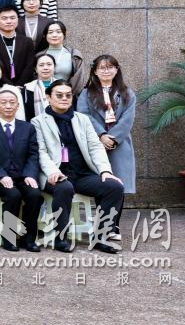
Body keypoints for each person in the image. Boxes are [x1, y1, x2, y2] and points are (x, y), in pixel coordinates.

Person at [32, 80, 125, 253]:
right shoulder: (38, 122)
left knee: (114, 187)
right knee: (64, 187)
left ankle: (101, 237)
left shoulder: (82, 119)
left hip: (82, 174)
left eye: (68, 95)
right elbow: (41, 152)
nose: (64, 98)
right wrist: (53, 172)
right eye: (59, 95)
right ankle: (60, 238)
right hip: (56, 174)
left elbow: (95, 147)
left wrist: (105, 171)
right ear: (48, 97)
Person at [0, 89, 43, 252]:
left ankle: (29, 238)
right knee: (13, 195)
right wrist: (1, 175)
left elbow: (33, 154)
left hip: (21, 176)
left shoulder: (28, 128)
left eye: (12, 103)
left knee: (35, 195)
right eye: (3, 102)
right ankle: (9, 237)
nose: (8, 106)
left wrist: (30, 175)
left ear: (18, 106)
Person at [77, 55, 136, 195]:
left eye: (110, 67)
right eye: (102, 68)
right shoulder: (86, 93)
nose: (106, 71)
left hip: (119, 143)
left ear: (117, 70)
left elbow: (128, 119)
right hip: (95, 142)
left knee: (120, 185)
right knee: (100, 184)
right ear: (95, 71)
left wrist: (113, 138)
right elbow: (84, 115)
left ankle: (116, 210)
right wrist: (101, 135)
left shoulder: (127, 93)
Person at [0, 6, 36, 86]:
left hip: (23, 85)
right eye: (4, 18)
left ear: (18, 20)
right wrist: (10, 86)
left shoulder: (27, 41)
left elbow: (29, 66)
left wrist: (19, 85)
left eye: (12, 18)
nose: (9, 21)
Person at [34, 21, 89, 98]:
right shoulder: (39, 56)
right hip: (42, 97)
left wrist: (66, 95)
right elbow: (34, 78)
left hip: (67, 97)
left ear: (64, 34)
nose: (54, 35)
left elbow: (79, 80)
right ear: (45, 35)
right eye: (50, 32)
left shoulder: (74, 55)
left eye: (58, 32)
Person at [22, 54, 58, 120]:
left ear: (54, 67)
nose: (45, 68)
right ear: (36, 69)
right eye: (41, 65)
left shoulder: (62, 87)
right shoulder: (28, 88)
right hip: (34, 124)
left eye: (49, 64)